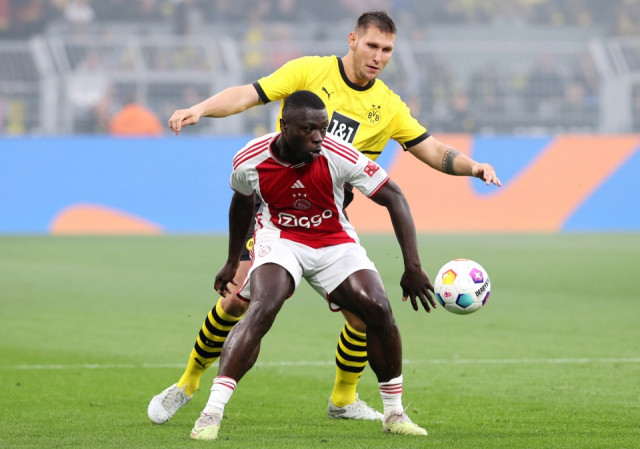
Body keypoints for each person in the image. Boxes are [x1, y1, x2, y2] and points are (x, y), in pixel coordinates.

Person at [148, 10, 501, 426]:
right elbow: (249, 94)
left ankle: (343, 399)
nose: (378, 57)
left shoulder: (388, 106)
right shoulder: (309, 71)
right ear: (353, 40)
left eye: (387, 50)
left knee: (363, 316)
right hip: (274, 207)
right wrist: (201, 109)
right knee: (237, 299)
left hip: (328, 217)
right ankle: (187, 384)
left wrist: (473, 166)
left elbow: (431, 149)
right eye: (372, 46)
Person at [191, 90, 433, 440]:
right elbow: (241, 203)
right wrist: (232, 261)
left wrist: (413, 266)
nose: (319, 137)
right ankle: (211, 412)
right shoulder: (250, 158)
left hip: (334, 239)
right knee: (263, 306)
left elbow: (394, 197)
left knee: (378, 307)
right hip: (281, 238)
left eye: (323, 128)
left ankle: (394, 413)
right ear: (284, 126)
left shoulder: (339, 154)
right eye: (309, 129)